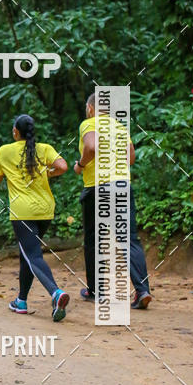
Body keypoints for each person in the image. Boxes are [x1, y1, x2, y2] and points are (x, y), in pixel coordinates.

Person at [0, 114, 70, 321]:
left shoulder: (4, 151)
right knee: (29, 254)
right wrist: (45, 173)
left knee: (32, 255)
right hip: (45, 210)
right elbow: (62, 166)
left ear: (15, 131)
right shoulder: (44, 149)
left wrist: (10, 173)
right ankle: (21, 301)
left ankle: (55, 292)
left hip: (23, 212)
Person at [75, 93, 152, 309]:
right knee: (129, 239)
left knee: (93, 240)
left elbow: (90, 147)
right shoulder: (119, 127)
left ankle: (96, 291)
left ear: (91, 108)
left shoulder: (89, 123)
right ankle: (142, 290)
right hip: (122, 186)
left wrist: (80, 165)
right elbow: (131, 158)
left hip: (98, 187)